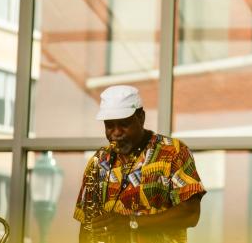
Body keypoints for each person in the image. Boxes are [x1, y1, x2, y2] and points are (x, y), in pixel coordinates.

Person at [74, 85, 205, 243]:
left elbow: (191, 213)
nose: (115, 133)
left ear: (141, 117)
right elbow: (86, 225)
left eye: (123, 124)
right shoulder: (99, 161)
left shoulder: (173, 152)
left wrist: (131, 223)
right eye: (109, 126)